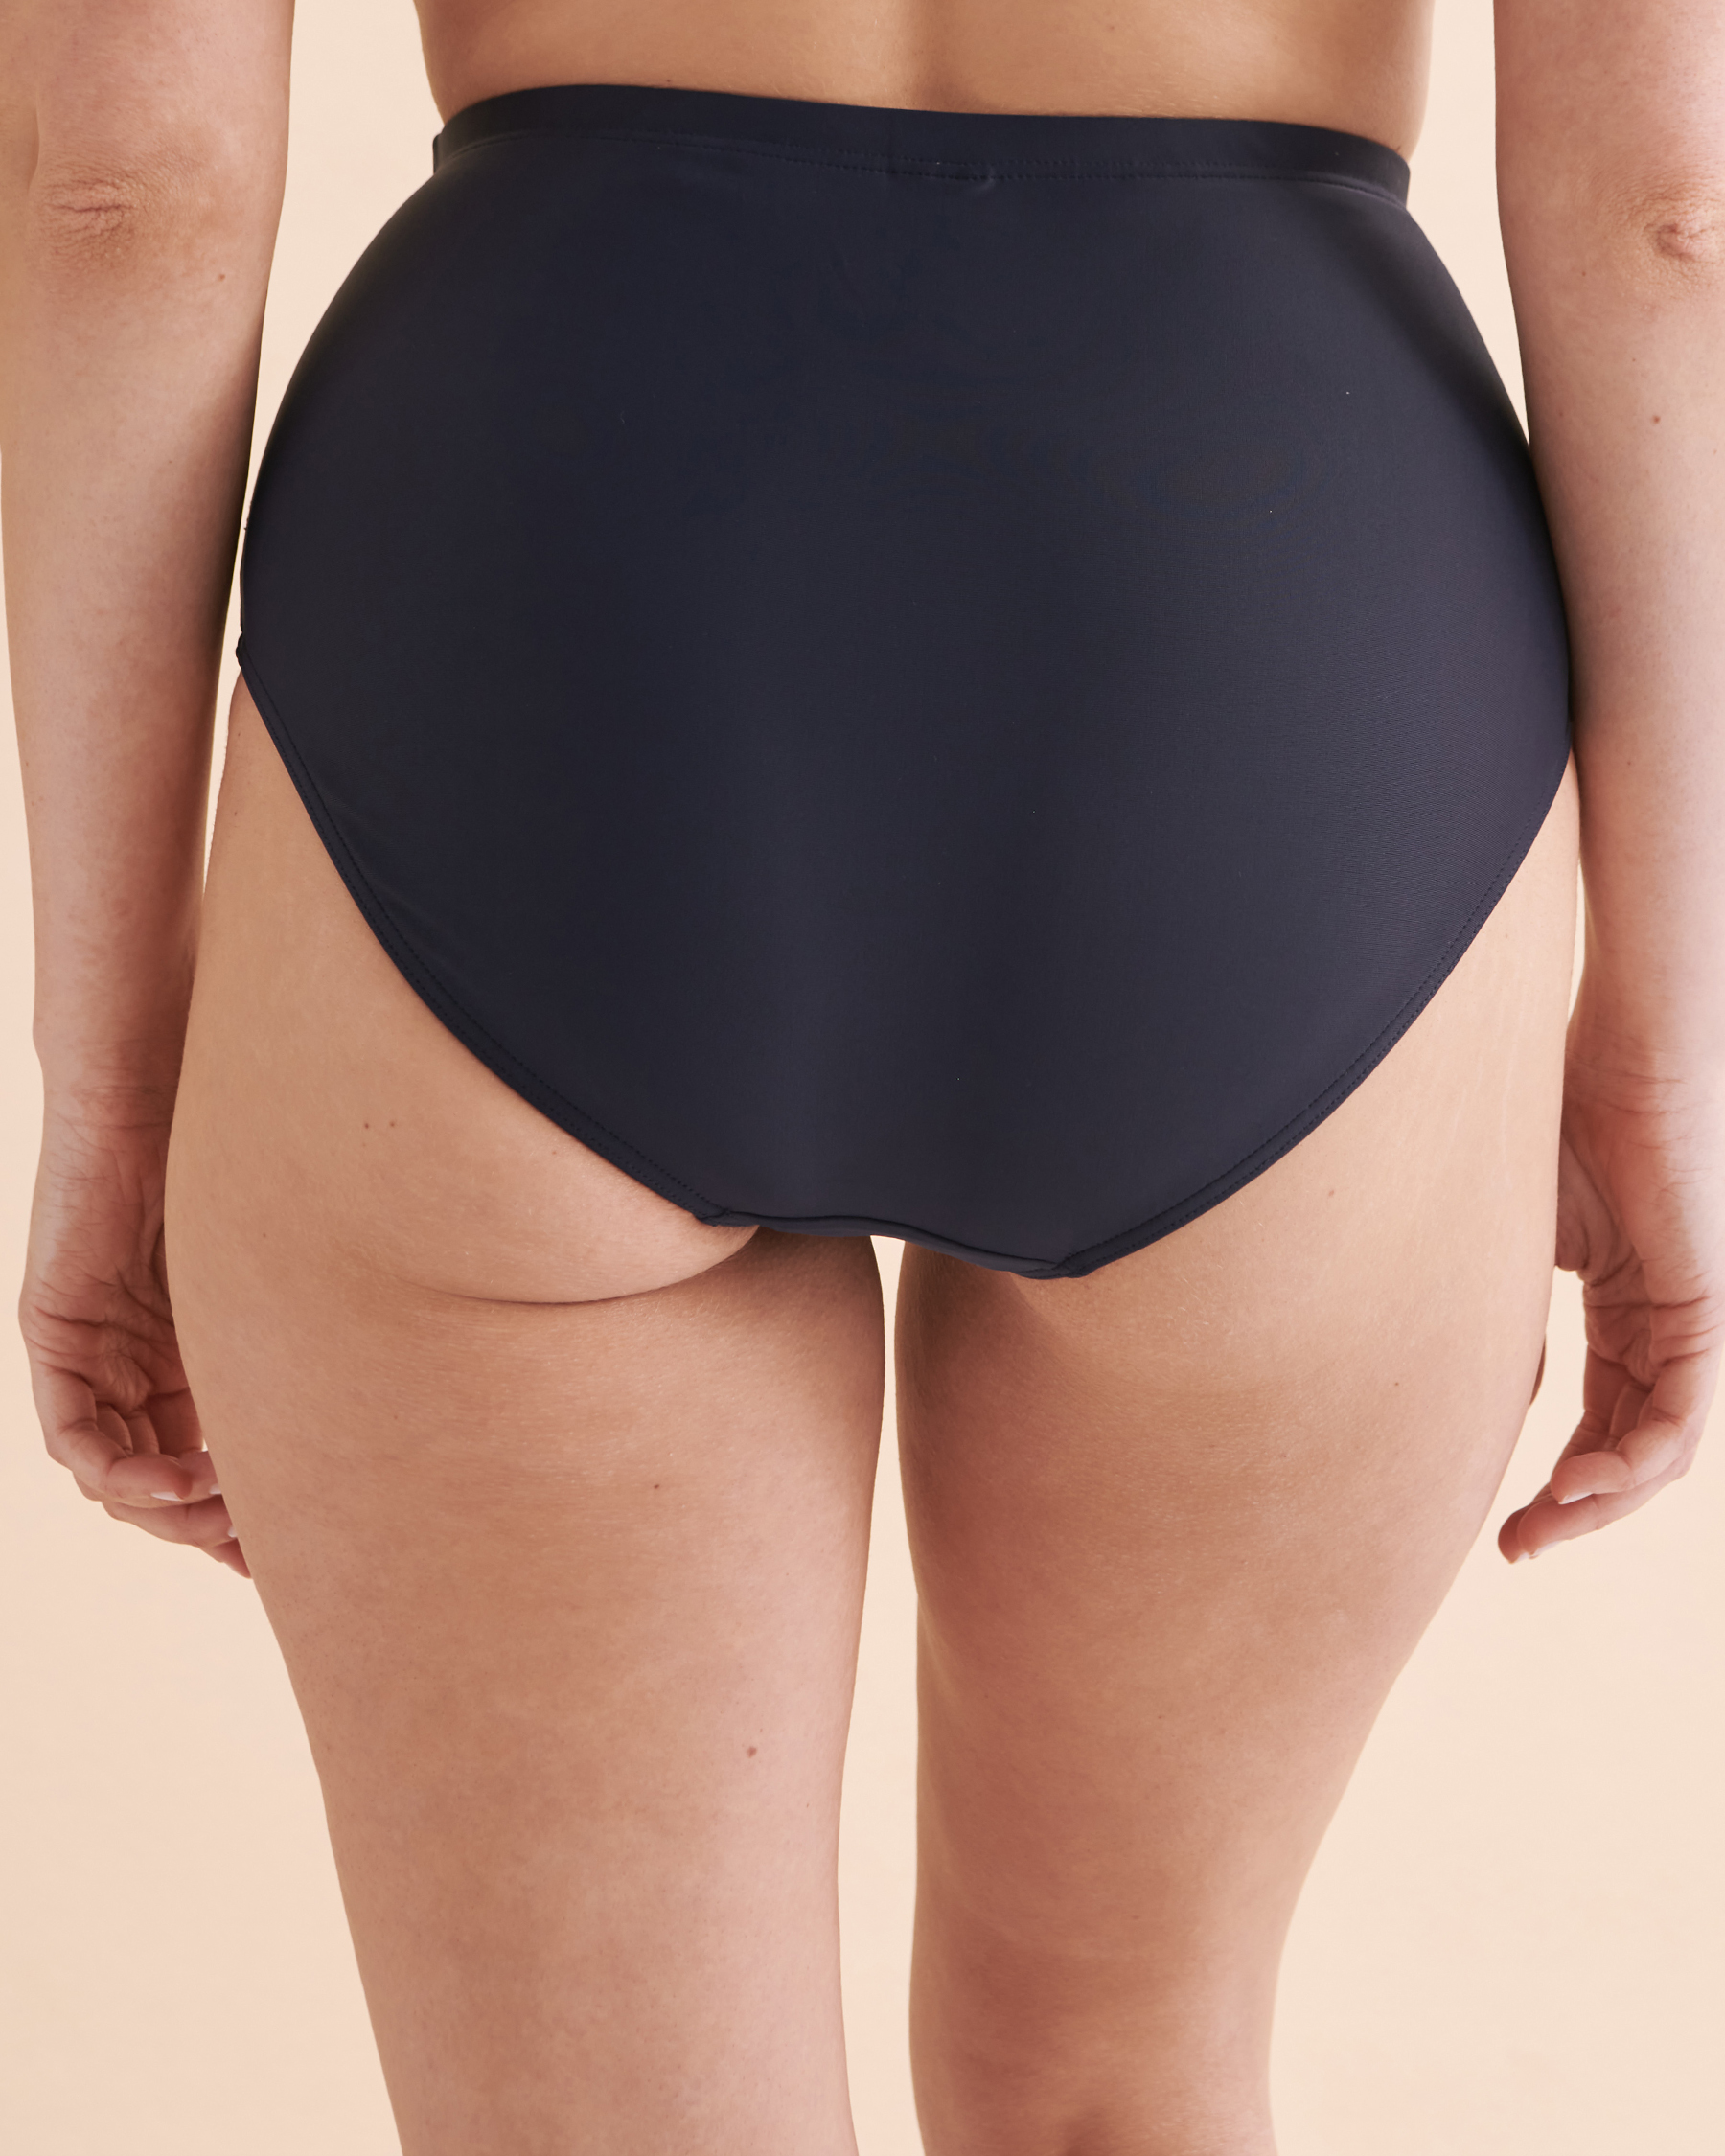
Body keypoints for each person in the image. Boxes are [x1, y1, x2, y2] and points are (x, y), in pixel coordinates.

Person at [4, 0, 1721, 2148]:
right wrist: (1658, 1055)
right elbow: (1671, 214)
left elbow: (125, 185)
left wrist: (111, 1083)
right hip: (1276, 627)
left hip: (538, 596)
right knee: (1119, 2089)